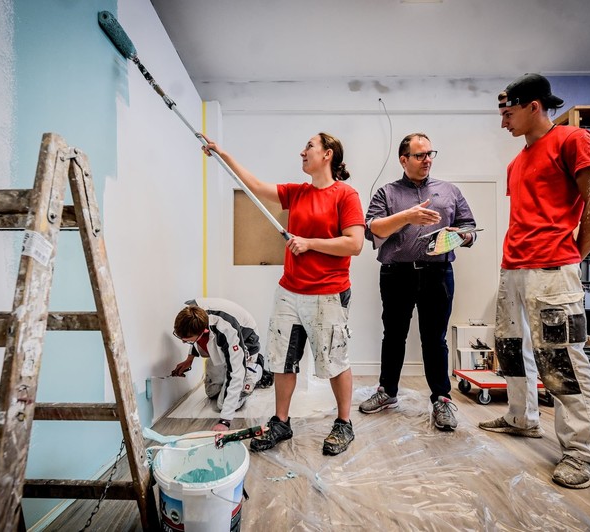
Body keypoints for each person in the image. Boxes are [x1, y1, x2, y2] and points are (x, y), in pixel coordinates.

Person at [480, 73, 590, 489]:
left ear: (534, 106)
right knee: (510, 348)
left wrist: (570, 255)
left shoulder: (572, 140)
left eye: (508, 113)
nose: (503, 122)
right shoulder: (516, 162)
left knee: (561, 363)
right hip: (513, 268)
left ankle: (582, 453)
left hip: (552, 271)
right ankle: (521, 417)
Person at [201, 132, 364, 456]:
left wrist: (309, 243)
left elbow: (355, 243)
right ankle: (281, 421)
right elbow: (253, 185)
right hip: (289, 292)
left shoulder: (345, 195)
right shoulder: (297, 193)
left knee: (334, 361)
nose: (302, 151)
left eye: (309, 146)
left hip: (328, 294)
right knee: (282, 361)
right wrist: (222, 155)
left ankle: (344, 423)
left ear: (327, 154)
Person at [361, 132, 477, 431]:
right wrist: (407, 217)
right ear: (404, 159)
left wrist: (463, 236)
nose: (427, 160)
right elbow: (371, 230)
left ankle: (441, 398)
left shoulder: (449, 191)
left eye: (430, 154)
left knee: (435, 339)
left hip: (438, 274)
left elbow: (469, 227)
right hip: (396, 274)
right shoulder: (386, 193)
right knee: (393, 335)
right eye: (420, 155)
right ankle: (387, 391)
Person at [171, 298, 272, 432]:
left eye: (187, 340)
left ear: (204, 332)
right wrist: (189, 360)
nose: (183, 342)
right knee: (212, 392)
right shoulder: (189, 314)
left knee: (222, 404)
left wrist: (225, 421)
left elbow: (236, 373)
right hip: (222, 341)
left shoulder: (226, 328)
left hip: (246, 339)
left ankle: (255, 369)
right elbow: (195, 337)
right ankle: (229, 367)